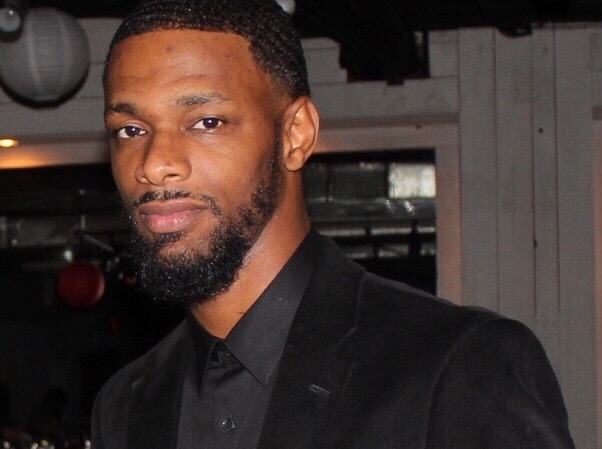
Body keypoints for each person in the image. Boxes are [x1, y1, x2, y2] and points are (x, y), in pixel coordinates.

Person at [91, 0, 576, 448]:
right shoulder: (125, 405)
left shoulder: (459, 366)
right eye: (130, 130)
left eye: (206, 122)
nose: (153, 164)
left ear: (296, 134)